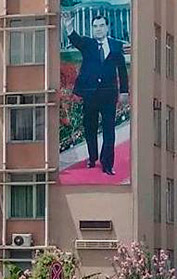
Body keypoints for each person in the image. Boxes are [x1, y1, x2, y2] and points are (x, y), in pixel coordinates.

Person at [62, 13, 129, 176]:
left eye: (101, 26)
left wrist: (124, 91)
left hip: (108, 95)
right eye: (95, 26)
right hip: (90, 95)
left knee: (109, 131)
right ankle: (92, 157)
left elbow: (122, 70)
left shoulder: (115, 46)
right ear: (92, 29)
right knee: (90, 128)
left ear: (106, 28)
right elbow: (75, 39)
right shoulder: (88, 44)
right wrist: (68, 25)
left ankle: (108, 164)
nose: (98, 30)